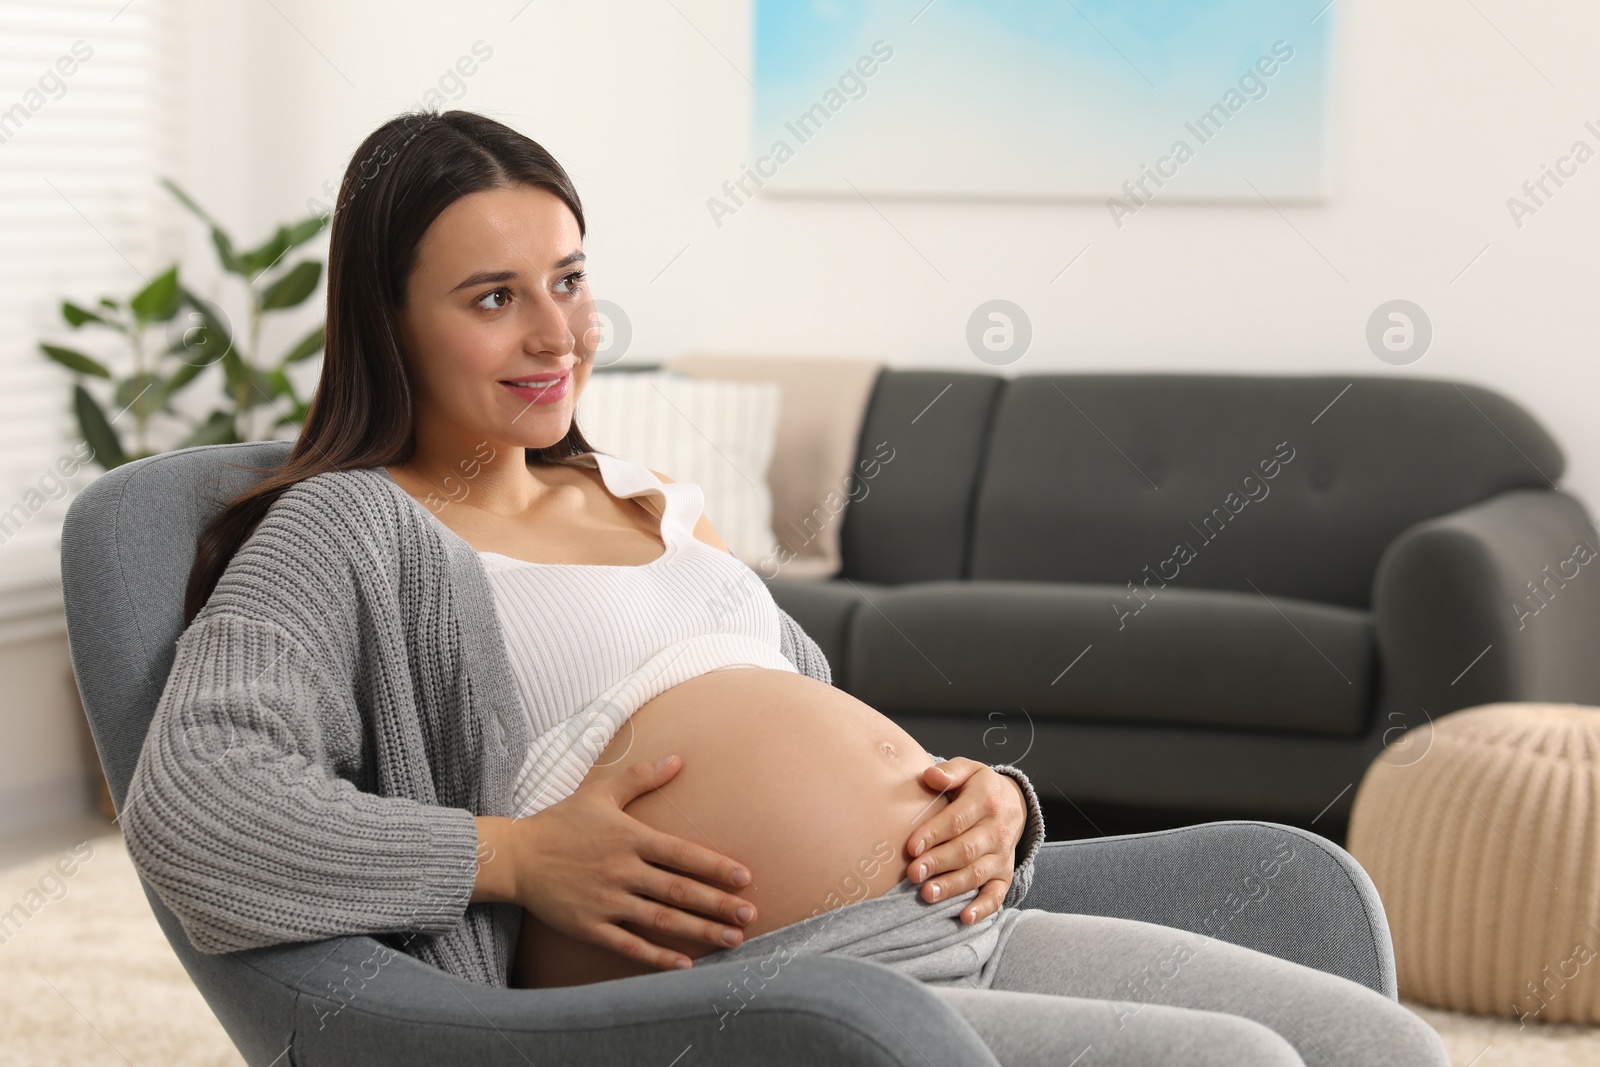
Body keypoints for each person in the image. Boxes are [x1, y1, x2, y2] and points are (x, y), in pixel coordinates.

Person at [123, 109, 1449, 1066]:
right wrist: (515, 857)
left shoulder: (640, 500)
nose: (557, 334)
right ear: (387, 319)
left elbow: (816, 735)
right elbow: (199, 809)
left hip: (951, 929)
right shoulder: (350, 530)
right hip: (772, 1003)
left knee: (1377, 1050)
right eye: (492, 298)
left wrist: (989, 807)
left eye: (571, 281)